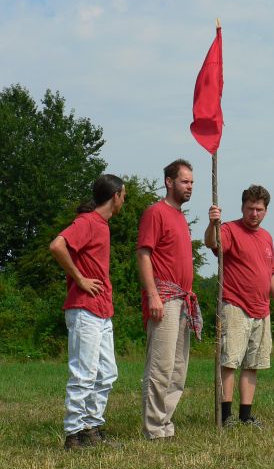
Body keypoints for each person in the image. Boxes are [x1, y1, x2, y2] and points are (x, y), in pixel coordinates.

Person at [49, 174, 126, 450]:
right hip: (84, 309)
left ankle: (92, 427)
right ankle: (73, 435)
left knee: (107, 372)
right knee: (84, 372)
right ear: (115, 195)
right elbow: (57, 245)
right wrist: (80, 279)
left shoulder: (102, 225)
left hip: (102, 310)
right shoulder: (88, 222)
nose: (124, 200)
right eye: (123, 195)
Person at [204, 184, 274, 427]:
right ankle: (225, 416)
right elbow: (212, 243)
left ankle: (245, 416)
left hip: (262, 310)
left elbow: (272, 274)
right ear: (242, 207)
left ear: (266, 211)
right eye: (250, 208)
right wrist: (213, 223)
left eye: (259, 209)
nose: (254, 214)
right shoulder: (229, 229)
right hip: (235, 306)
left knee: (254, 364)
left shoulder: (266, 237)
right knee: (230, 361)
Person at [137, 159, 202, 440]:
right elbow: (143, 254)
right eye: (185, 181)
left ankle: (165, 424)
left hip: (183, 300)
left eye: (192, 183)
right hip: (164, 297)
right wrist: (153, 295)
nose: (190, 187)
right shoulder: (155, 213)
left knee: (177, 369)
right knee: (160, 366)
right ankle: (153, 428)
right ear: (169, 182)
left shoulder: (180, 217)